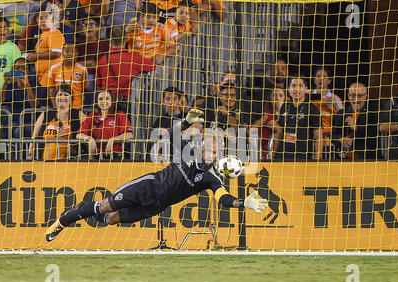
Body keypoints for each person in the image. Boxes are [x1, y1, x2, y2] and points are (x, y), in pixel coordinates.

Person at [45, 108, 269, 242]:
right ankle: (64, 220)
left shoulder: (212, 177)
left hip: (157, 205)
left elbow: (223, 198)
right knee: (106, 205)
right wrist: (186, 122)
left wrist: (242, 203)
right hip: (148, 186)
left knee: (111, 219)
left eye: (217, 151)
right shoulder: (187, 152)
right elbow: (172, 133)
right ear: (201, 148)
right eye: (210, 149)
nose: (213, 153)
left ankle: (86, 209)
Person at [96, 25, 155, 108]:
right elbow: (153, 67)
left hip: (107, 104)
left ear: (110, 42)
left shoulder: (102, 60)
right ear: (126, 40)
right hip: (127, 103)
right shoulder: (134, 58)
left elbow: (98, 83)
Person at [273, 74, 323, 161]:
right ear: (289, 89)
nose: (297, 89)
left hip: (302, 158)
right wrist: (273, 154)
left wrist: (317, 160)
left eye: (300, 86)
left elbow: (319, 137)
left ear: (306, 89)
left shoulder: (313, 109)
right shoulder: (285, 106)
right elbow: (279, 132)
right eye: (293, 86)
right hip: (282, 156)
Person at [28, 84, 84, 161]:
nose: (62, 97)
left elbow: (86, 133)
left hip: (70, 164)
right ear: (55, 98)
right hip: (45, 163)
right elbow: (33, 138)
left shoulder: (79, 114)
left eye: (66, 95)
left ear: (71, 99)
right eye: (59, 94)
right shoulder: (45, 115)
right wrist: (30, 154)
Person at [77, 89, 134, 159]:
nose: (104, 101)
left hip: (114, 156)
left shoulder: (119, 115)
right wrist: (88, 139)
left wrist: (113, 140)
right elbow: (79, 135)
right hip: (95, 156)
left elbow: (129, 134)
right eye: (101, 99)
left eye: (107, 98)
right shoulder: (92, 116)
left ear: (111, 100)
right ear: (97, 102)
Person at [331, 82, 379, 160]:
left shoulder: (374, 112)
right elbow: (333, 135)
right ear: (348, 96)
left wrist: (356, 127)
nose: (356, 99)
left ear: (365, 96)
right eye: (352, 96)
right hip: (344, 159)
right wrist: (341, 139)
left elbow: (373, 134)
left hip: (368, 159)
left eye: (359, 96)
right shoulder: (342, 113)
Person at [0, 57, 37, 139]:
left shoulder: (35, 86)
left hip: (28, 123)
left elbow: (34, 105)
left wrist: (27, 85)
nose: (20, 70)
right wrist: (5, 83)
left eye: (23, 68)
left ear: (28, 71)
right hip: (11, 123)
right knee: (0, 131)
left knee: (19, 131)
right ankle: (1, 152)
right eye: (17, 68)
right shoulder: (10, 86)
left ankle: (18, 152)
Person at [25, 10, 65, 88]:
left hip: (50, 75)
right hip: (43, 75)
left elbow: (57, 53)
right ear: (37, 21)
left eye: (47, 18)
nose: (43, 21)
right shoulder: (44, 34)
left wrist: (36, 56)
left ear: (53, 20)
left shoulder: (54, 32)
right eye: (41, 18)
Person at [310, 66, 344, 152]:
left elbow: (342, 116)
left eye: (324, 76)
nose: (321, 79)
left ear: (329, 81)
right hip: (310, 139)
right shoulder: (307, 96)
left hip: (329, 141)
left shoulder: (335, 98)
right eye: (318, 76)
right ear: (314, 80)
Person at [48, 41, 88, 110]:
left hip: (76, 108)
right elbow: (52, 90)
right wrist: (55, 107)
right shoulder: (54, 68)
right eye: (67, 51)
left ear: (76, 54)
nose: (69, 54)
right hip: (60, 108)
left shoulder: (83, 70)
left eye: (72, 51)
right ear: (62, 52)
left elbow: (84, 90)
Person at [252, 88, 285, 160]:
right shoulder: (266, 113)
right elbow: (279, 130)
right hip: (264, 150)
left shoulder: (286, 114)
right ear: (270, 98)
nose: (277, 98)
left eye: (280, 96)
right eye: (274, 95)